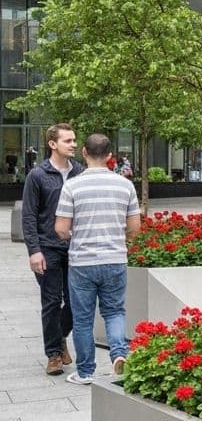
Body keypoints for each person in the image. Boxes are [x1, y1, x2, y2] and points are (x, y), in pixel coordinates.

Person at [55, 133, 141, 385]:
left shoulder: (72, 186)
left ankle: (86, 372)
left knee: (82, 319)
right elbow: (134, 227)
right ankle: (118, 355)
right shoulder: (125, 185)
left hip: (82, 262)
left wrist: (77, 236)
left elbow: (61, 228)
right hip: (115, 258)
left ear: (84, 152)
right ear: (110, 156)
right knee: (114, 311)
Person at [22, 123, 83, 376]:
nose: (74, 144)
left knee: (76, 302)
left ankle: (59, 337)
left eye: (74, 140)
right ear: (53, 144)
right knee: (51, 302)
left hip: (75, 247)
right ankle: (54, 355)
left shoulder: (80, 172)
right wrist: (34, 251)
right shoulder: (37, 175)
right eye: (68, 141)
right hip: (47, 248)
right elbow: (29, 216)